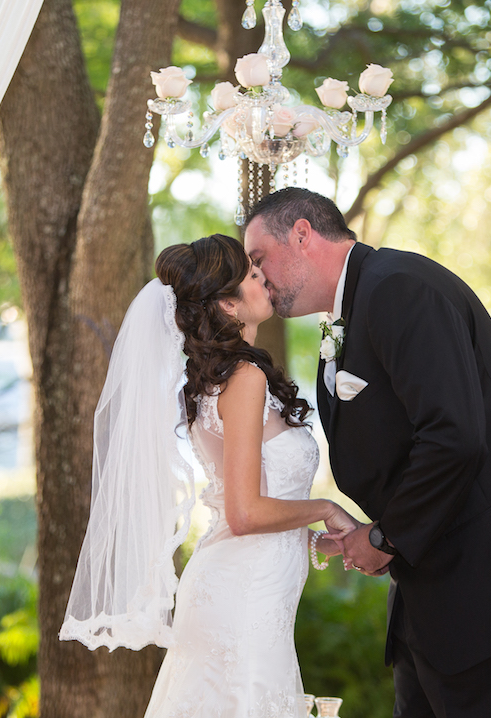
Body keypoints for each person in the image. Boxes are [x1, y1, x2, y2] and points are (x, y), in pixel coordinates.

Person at [243, 187, 491, 718]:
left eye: (260, 259)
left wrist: (386, 536)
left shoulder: (397, 288)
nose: (259, 278)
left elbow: (454, 435)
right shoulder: (357, 307)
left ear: (303, 235)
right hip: (437, 597)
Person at [59, 234, 356, 717]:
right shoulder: (243, 379)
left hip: (248, 587)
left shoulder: (225, 378)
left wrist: (323, 544)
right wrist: (326, 509)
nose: (266, 279)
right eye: (253, 276)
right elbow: (244, 513)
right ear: (227, 304)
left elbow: (248, 513)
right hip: (242, 599)